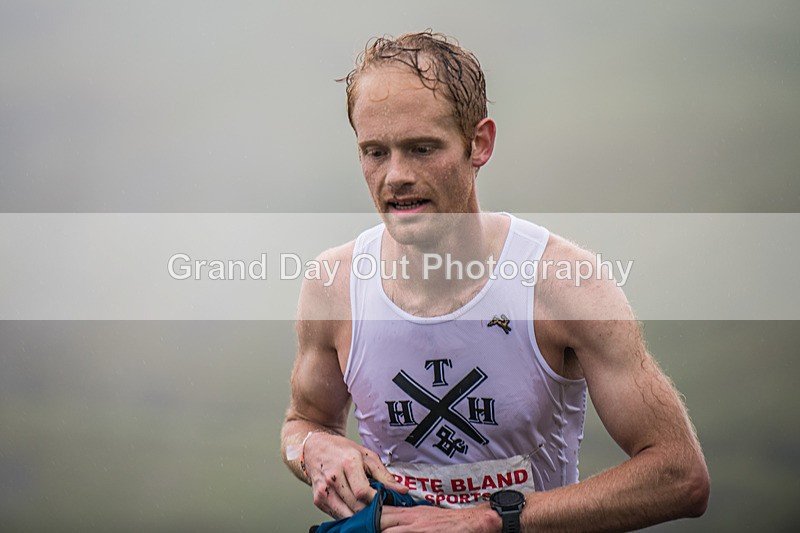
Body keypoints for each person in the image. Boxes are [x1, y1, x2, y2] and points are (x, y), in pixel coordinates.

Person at [281, 30, 709, 532]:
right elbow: (302, 422)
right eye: (375, 152)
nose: (395, 176)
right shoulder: (334, 285)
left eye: (422, 148)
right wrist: (315, 447)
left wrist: (490, 522)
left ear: (479, 144)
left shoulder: (561, 284)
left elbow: (680, 476)